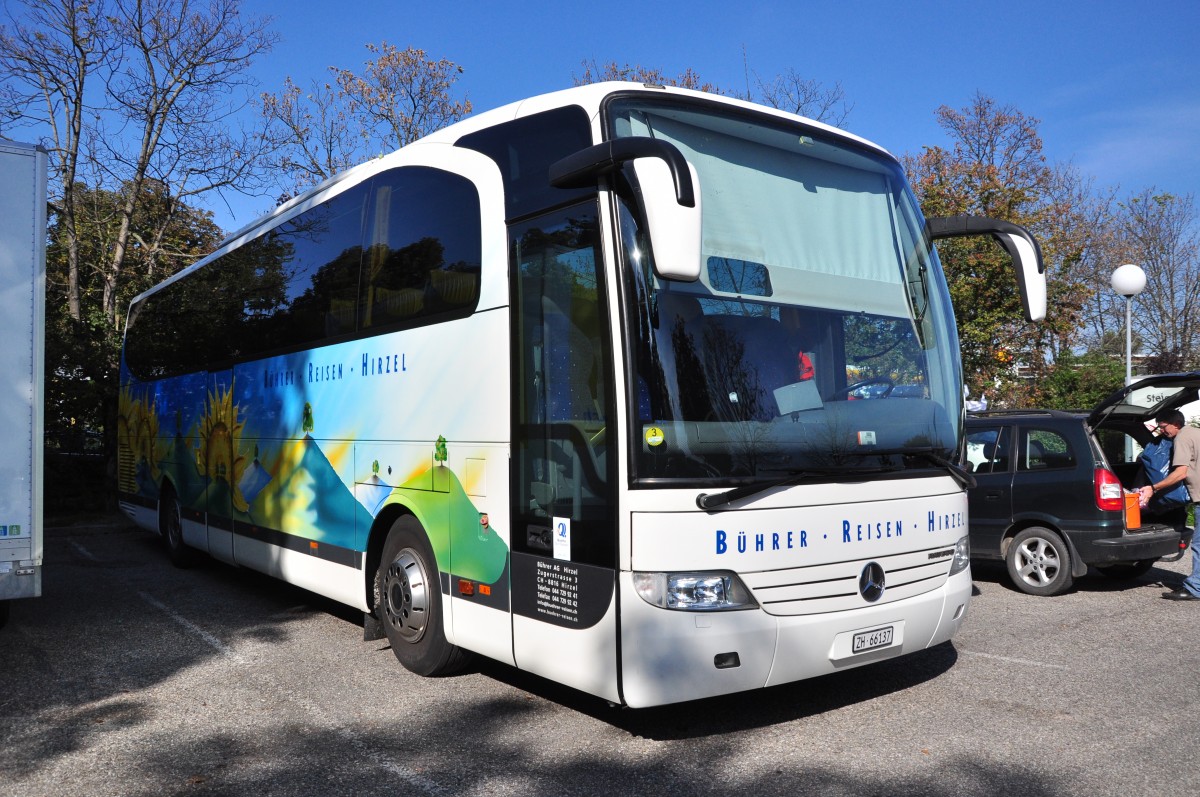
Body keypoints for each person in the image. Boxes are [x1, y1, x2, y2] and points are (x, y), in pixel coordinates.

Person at [1136, 409, 1200, 601]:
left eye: (1163, 427)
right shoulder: (1197, 432)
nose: (1162, 431)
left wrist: (1153, 488)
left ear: (1175, 424)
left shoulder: (1181, 438)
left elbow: (1181, 473)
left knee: (1199, 546)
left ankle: (1195, 588)